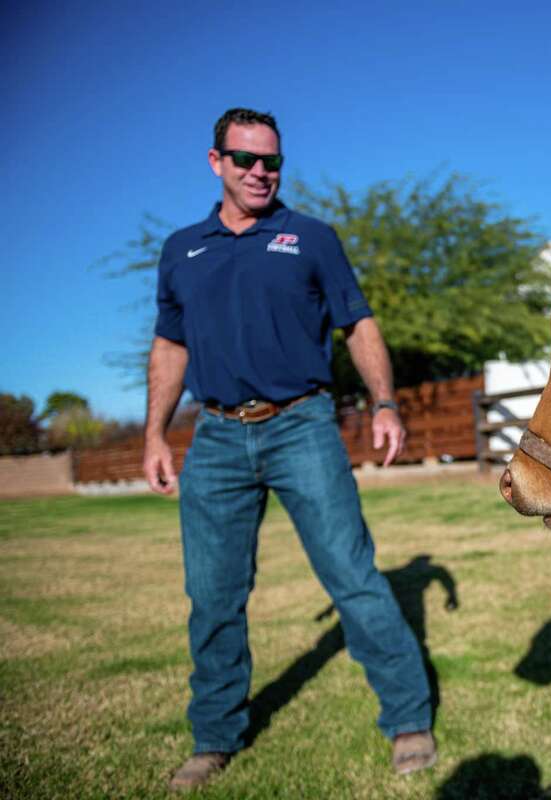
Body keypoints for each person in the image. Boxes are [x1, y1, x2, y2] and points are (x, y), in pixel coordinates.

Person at [142, 108, 436, 791]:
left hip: (301, 424)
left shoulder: (310, 237)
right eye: (244, 159)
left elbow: (358, 323)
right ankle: (215, 735)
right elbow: (170, 345)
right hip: (213, 437)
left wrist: (386, 403)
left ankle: (408, 719)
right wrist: (156, 430)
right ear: (215, 161)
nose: (259, 172)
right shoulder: (182, 249)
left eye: (270, 161)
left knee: (351, 576)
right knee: (213, 596)